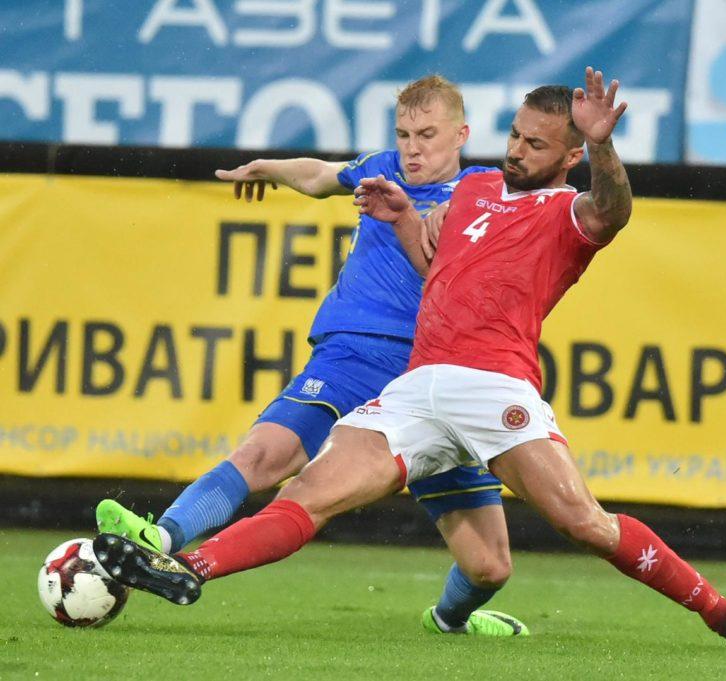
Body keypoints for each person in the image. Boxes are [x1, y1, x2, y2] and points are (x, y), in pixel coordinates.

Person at [95, 67, 726, 653]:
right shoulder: (473, 190)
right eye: (515, 135)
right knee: (306, 492)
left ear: (568, 157)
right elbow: (437, 272)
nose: (518, 150)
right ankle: (186, 566)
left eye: (537, 144)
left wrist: (603, 148)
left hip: (495, 386)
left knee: (582, 523)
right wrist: (405, 218)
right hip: (418, 384)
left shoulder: (567, 211)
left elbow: (613, 208)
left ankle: (725, 614)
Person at [94, 74, 528, 637]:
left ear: (461, 135)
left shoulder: (480, 195)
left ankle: (448, 620)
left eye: (427, 135)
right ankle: (160, 538)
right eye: (403, 135)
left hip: (433, 376)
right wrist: (268, 169)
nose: (412, 149)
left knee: (489, 566)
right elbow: (322, 176)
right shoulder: (381, 169)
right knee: (265, 454)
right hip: (352, 353)